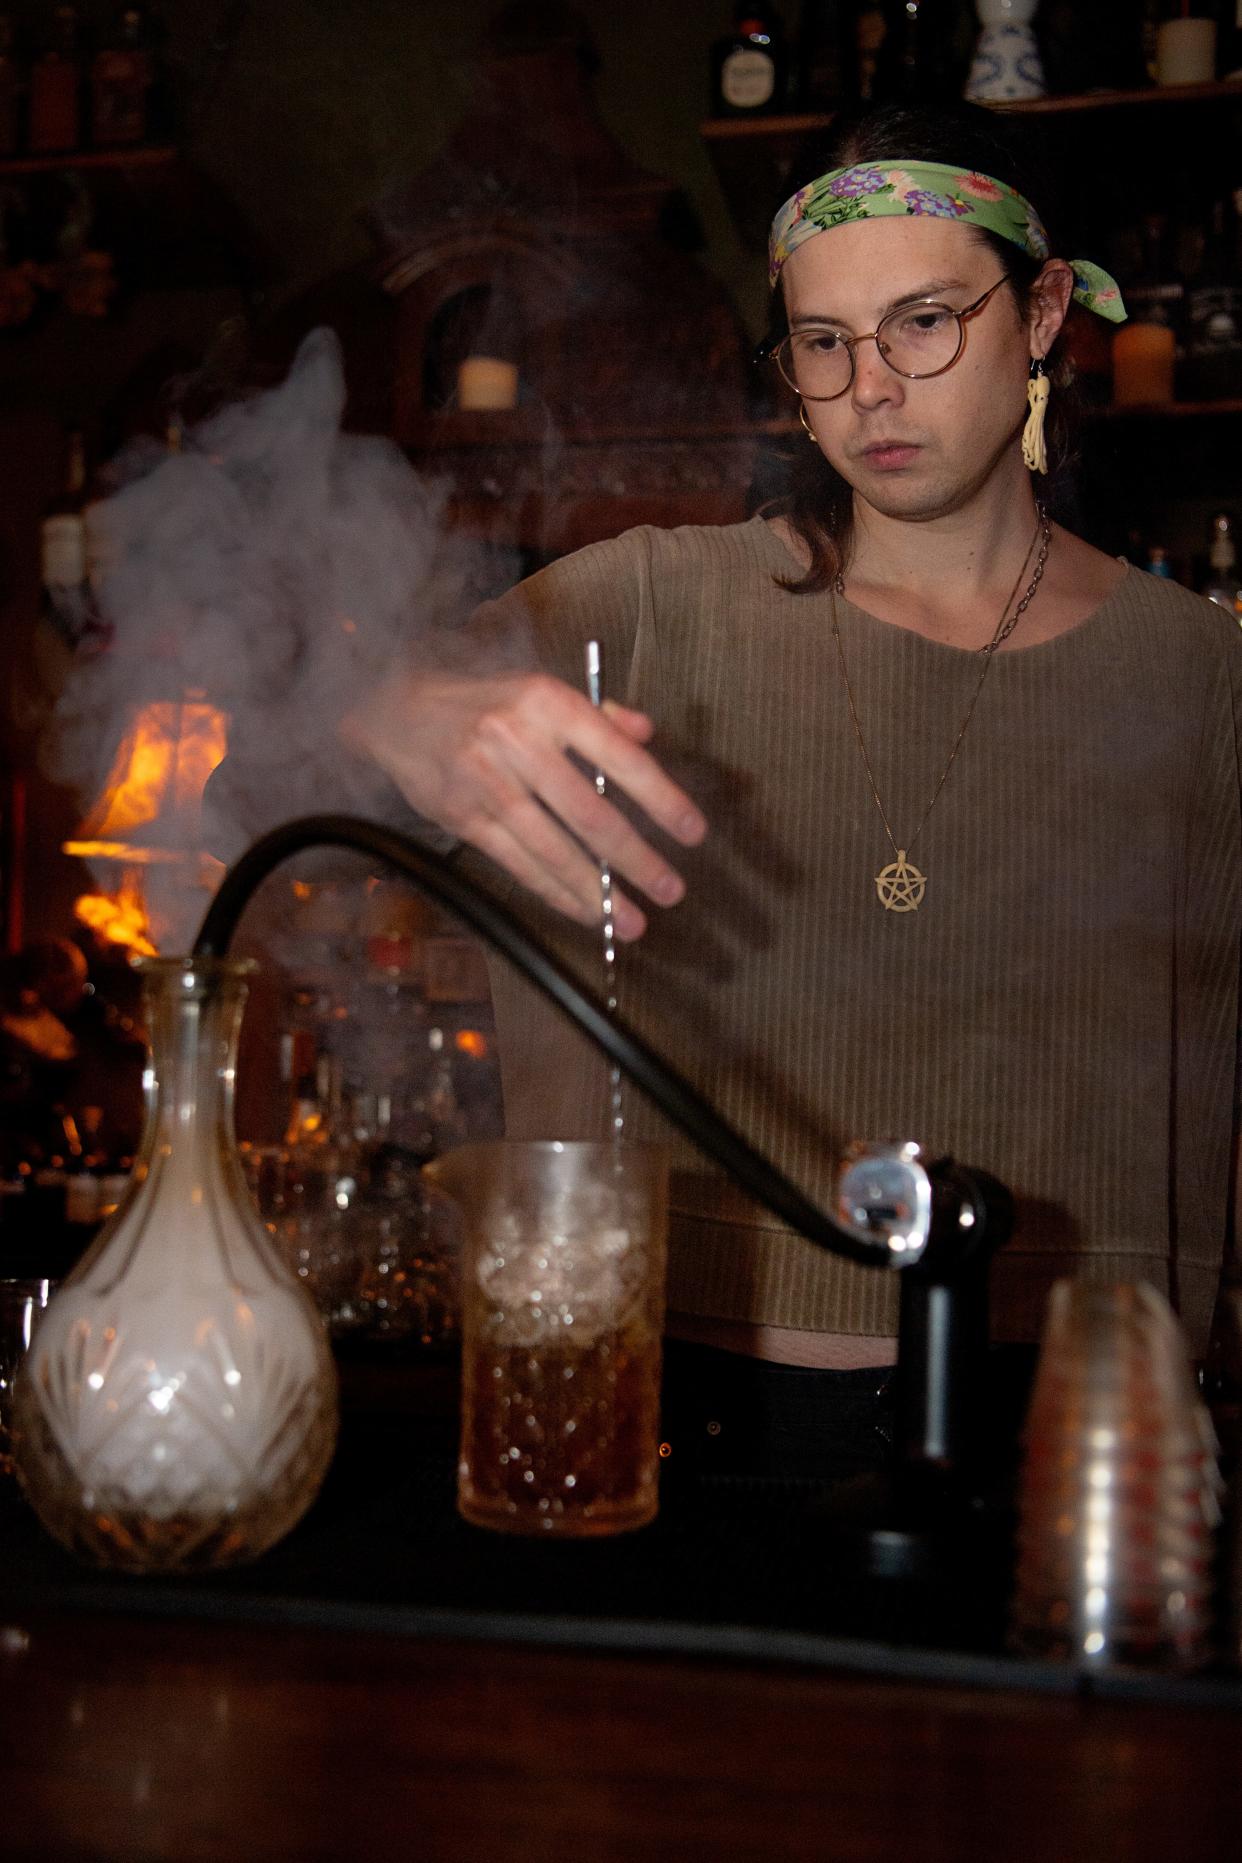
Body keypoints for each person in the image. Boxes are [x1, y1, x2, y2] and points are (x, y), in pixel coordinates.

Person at [342, 102, 1241, 1477]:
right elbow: (266, 756)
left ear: (1045, 310)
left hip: (1078, 1442)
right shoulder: (643, 601)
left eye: (923, 323)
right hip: (665, 1414)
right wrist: (397, 705)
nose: (870, 387)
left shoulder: (1200, 678)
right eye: (822, 344)